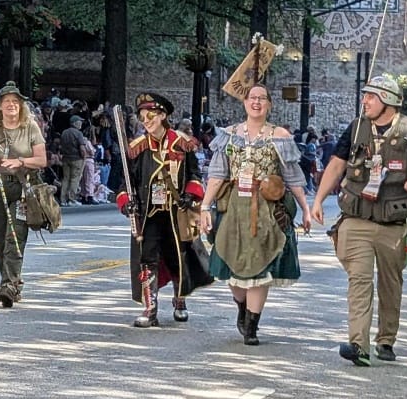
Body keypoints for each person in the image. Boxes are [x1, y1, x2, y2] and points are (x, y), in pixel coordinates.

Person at [310, 74, 407, 366]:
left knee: (391, 283)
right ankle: (358, 344)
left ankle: (386, 339)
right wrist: (318, 199)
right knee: (359, 280)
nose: (364, 101)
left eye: (371, 96)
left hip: (393, 222)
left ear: (387, 100)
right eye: (365, 95)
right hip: (357, 216)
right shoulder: (356, 128)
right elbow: (337, 164)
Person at [199, 84, 312, 346]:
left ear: (269, 104)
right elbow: (217, 175)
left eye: (262, 98)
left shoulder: (279, 135)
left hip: (267, 209)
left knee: (260, 265)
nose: (257, 102)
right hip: (234, 206)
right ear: (245, 103)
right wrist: (205, 206)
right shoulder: (228, 135)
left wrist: (305, 208)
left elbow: (293, 177)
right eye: (252, 98)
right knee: (230, 263)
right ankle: (242, 307)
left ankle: (252, 324)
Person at [117, 93, 212, 328]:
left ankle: (180, 300)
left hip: (176, 213)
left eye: (150, 116)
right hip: (148, 213)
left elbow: (194, 175)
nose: (146, 121)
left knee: (177, 257)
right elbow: (125, 183)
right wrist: (126, 203)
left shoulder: (182, 143)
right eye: (142, 117)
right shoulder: (138, 148)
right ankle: (150, 309)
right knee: (147, 259)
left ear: (162, 116)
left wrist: (190, 194)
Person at [0, 82, 47, 308]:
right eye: (7, 102)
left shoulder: (30, 127)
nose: (11, 105)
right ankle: (13, 281)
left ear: (21, 106)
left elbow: (42, 160)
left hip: (22, 188)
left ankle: (9, 286)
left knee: (15, 236)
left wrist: (21, 161)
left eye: (15, 102)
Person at [59, 115, 89, 206]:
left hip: (65, 158)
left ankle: (63, 199)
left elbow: (61, 146)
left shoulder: (64, 132)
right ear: (74, 123)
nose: (81, 124)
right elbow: (82, 148)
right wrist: (84, 156)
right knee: (75, 179)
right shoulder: (78, 133)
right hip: (77, 159)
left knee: (66, 179)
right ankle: (72, 199)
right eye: (79, 122)